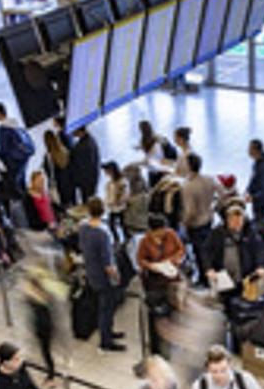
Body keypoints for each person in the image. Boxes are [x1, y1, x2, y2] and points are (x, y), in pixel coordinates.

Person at [79, 197, 126, 353]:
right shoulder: (102, 233)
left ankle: (108, 332)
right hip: (103, 277)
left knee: (104, 306)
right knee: (106, 308)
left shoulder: (83, 227)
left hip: (91, 272)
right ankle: (106, 340)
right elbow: (108, 263)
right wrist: (116, 276)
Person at [137, 214, 185, 357]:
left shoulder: (171, 234)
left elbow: (181, 249)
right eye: (160, 230)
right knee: (157, 314)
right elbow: (140, 260)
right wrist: (152, 266)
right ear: (152, 231)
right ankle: (157, 347)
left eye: (164, 229)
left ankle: (174, 339)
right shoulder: (145, 241)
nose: (163, 232)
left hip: (172, 278)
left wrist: (174, 260)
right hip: (155, 282)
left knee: (174, 310)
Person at [204, 202, 264, 305]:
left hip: (244, 276)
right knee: (225, 302)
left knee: (245, 302)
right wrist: (209, 268)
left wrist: (260, 266)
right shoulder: (217, 233)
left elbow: (259, 249)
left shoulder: (250, 233)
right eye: (233, 220)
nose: (237, 223)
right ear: (227, 220)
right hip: (223, 275)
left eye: (239, 220)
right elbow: (206, 251)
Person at [182, 153, 223, 286]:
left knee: (199, 252)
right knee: (209, 249)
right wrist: (216, 207)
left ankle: (203, 279)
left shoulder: (188, 186)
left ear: (189, 166)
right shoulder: (209, 179)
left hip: (196, 224)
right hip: (209, 218)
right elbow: (222, 193)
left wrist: (184, 223)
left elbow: (190, 211)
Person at [0, 102, 34, 209]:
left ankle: (25, 214)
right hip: (22, 160)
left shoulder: (3, 129)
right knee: (22, 185)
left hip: (11, 164)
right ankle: (31, 208)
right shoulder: (17, 125)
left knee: (15, 191)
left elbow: (3, 150)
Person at [70, 125, 101, 202]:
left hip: (86, 182)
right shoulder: (91, 140)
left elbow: (79, 166)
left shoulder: (81, 147)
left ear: (79, 131)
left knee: (87, 202)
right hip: (92, 178)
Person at [43, 129, 73, 207]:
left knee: (63, 207)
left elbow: (49, 173)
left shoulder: (48, 157)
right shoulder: (64, 151)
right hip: (70, 183)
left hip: (59, 187)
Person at [103, 161, 129, 243]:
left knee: (123, 224)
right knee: (112, 224)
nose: (105, 173)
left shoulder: (122, 182)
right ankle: (117, 239)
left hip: (120, 207)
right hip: (112, 207)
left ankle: (126, 238)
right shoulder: (110, 182)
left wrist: (118, 202)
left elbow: (124, 195)